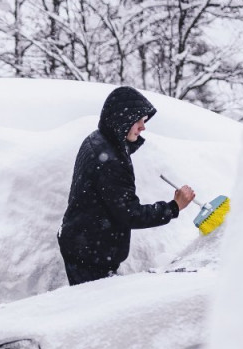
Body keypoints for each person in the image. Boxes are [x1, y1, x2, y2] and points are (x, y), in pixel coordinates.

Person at [57, 86, 195, 286]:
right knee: (96, 312)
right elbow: (130, 213)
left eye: (144, 121)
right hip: (90, 254)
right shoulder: (111, 161)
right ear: (121, 120)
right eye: (138, 121)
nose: (143, 127)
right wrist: (174, 207)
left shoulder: (97, 139)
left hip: (82, 244)